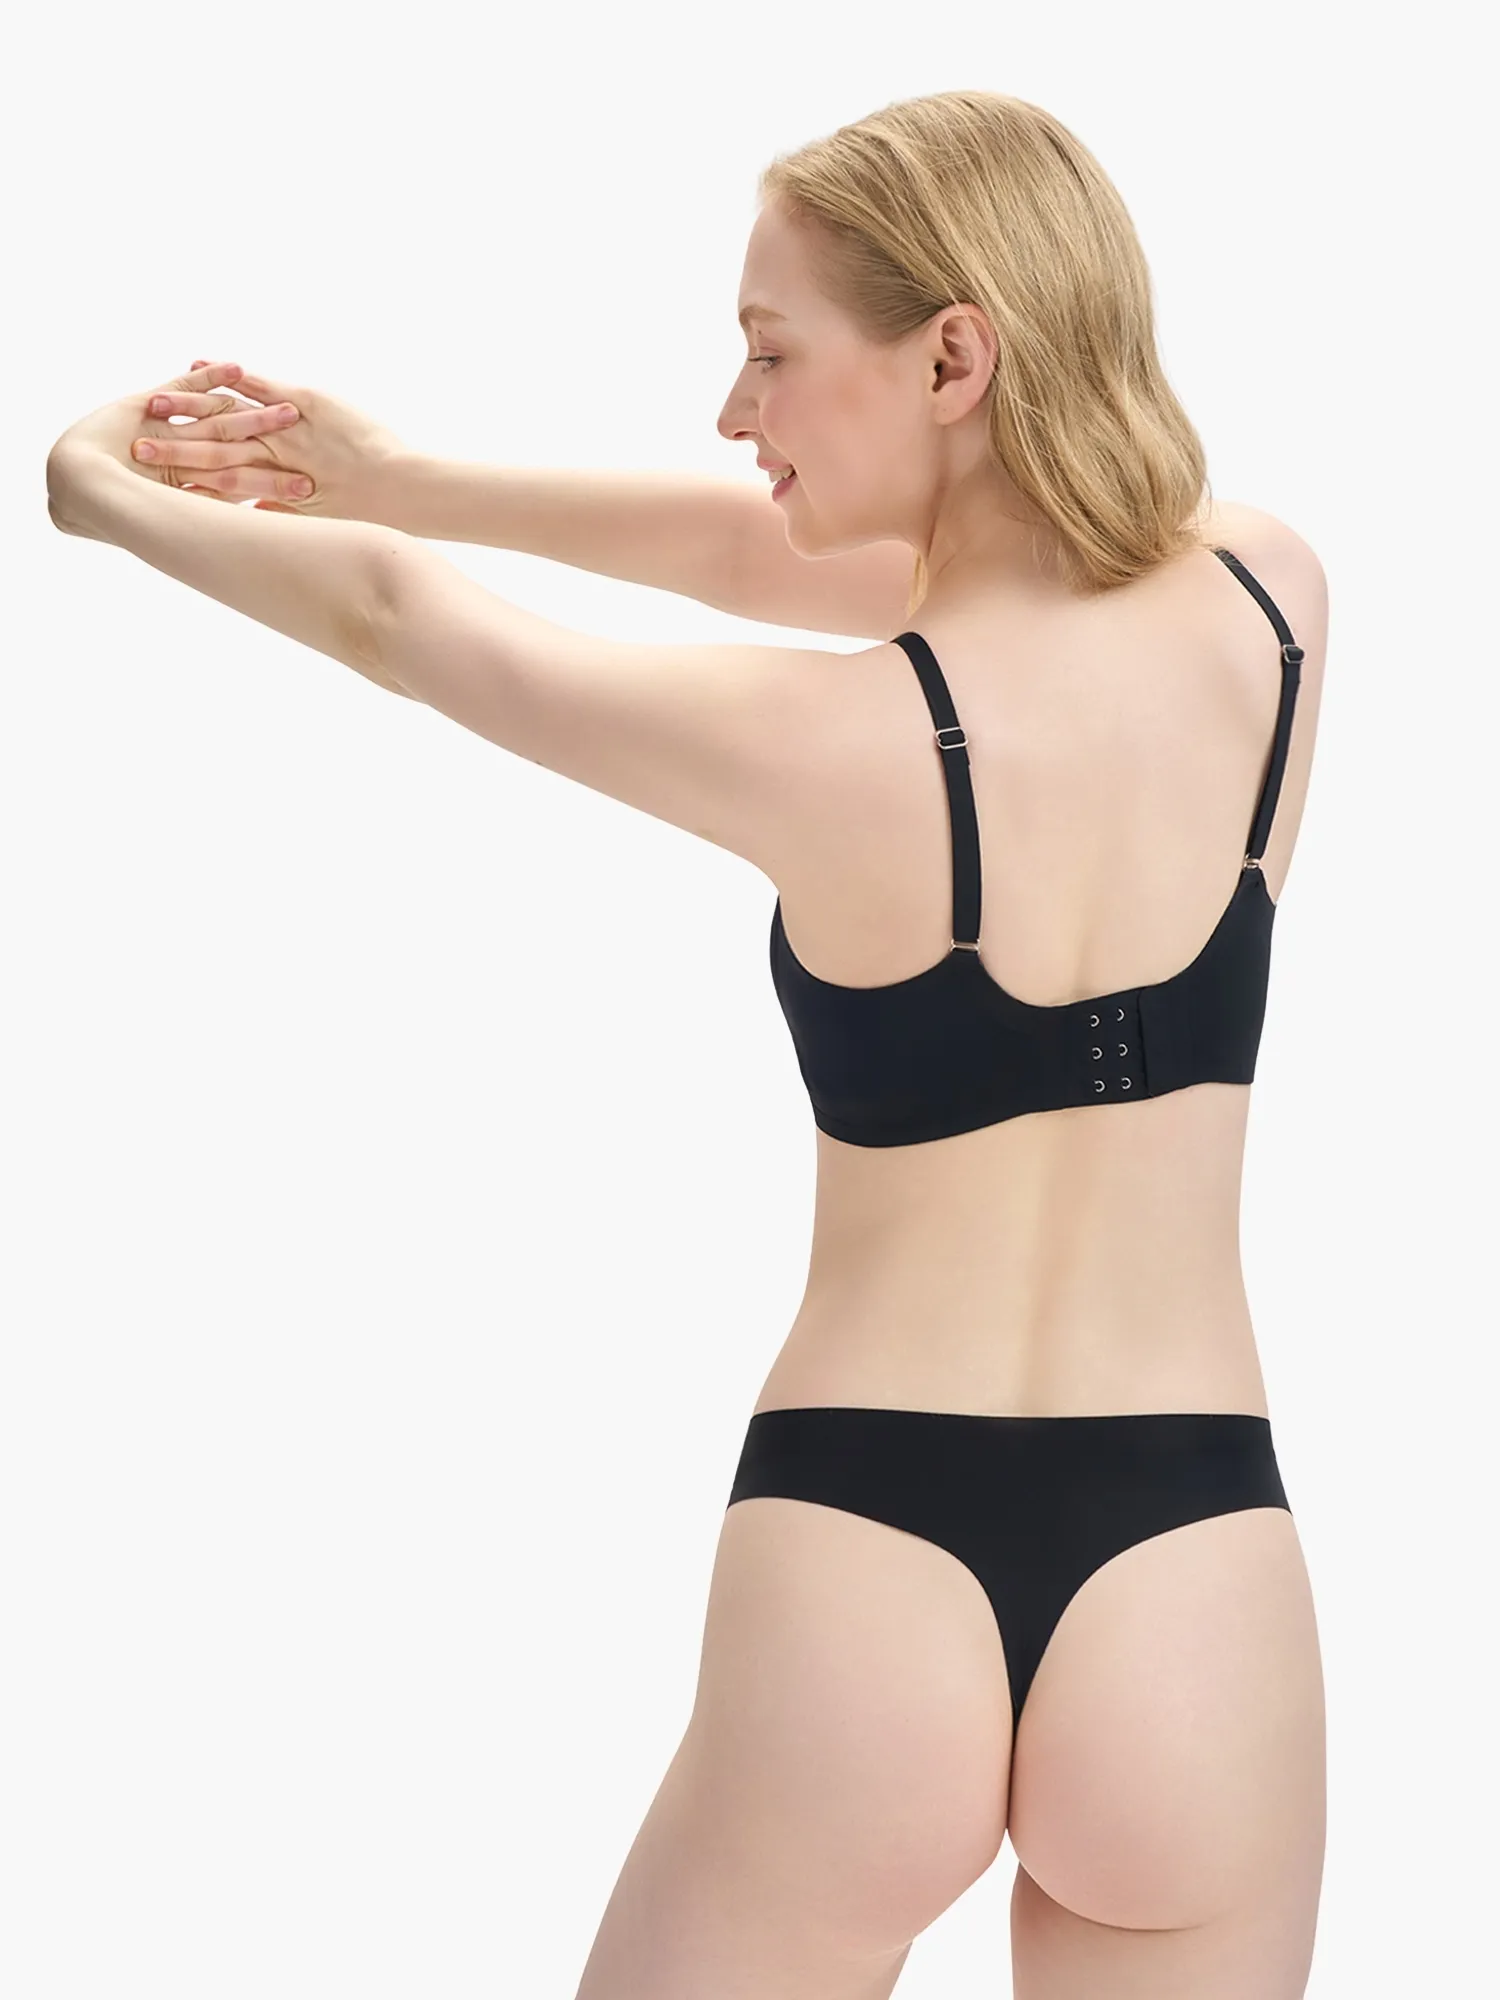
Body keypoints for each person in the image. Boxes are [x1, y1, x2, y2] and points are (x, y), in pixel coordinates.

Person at [47, 87, 1328, 2000]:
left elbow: (405, 624)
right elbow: (781, 555)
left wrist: (102, 488)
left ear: (953, 357)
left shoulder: (828, 746)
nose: (736, 412)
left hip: (869, 1559)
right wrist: (394, 470)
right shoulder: (1272, 605)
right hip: (1201, 1581)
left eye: (770, 352)